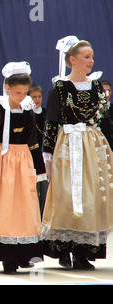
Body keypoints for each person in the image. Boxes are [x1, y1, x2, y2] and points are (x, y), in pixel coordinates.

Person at [41, 37, 113, 270]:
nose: (91, 60)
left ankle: (83, 253)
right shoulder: (60, 87)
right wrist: (48, 155)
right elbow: (51, 122)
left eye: (92, 56)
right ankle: (64, 249)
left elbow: (102, 121)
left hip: (91, 147)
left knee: (90, 197)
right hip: (68, 146)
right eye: (86, 56)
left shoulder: (95, 86)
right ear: (72, 59)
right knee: (67, 197)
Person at [0, 61, 46, 274]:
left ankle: (24, 253)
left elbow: (33, 142)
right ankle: (8, 257)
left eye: (24, 92)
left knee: (25, 208)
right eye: (18, 92)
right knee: (6, 208)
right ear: (7, 89)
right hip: (5, 164)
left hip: (24, 164)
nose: (22, 96)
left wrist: (39, 169)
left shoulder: (28, 111)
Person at [28, 84, 48, 216]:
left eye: (39, 96)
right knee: (32, 187)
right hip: (30, 155)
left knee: (45, 188)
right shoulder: (27, 114)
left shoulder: (47, 114)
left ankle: (42, 216)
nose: (37, 99)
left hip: (45, 154)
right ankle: (32, 216)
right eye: (34, 97)